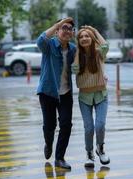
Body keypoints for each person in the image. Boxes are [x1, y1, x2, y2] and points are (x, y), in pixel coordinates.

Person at [36, 17, 76, 170]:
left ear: (72, 33)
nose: (66, 31)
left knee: (66, 124)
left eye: (69, 28)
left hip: (65, 93)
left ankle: (59, 158)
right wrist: (58, 23)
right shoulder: (49, 45)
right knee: (50, 125)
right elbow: (40, 40)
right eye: (63, 28)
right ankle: (48, 143)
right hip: (48, 92)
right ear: (57, 31)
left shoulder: (73, 49)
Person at [72, 25, 110, 168]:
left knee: (100, 125)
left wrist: (94, 30)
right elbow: (74, 69)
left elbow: (105, 45)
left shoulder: (99, 53)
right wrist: (77, 50)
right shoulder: (77, 55)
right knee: (89, 128)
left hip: (101, 94)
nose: (84, 38)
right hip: (84, 97)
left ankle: (100, 149)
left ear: (92, 38)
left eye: (87, 36)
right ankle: (89, 154)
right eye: (81, 37)